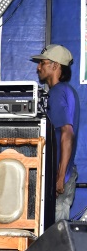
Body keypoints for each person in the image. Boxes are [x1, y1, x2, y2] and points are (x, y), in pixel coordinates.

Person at [31, 44, 80, 221]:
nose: (38, 67)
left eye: (42, 63)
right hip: (65, 173)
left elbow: (67, 133)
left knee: (53, 234)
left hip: (59, 177)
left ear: (55, 66)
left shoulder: (57, 92)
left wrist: (59, 177)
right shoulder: (67, 91)